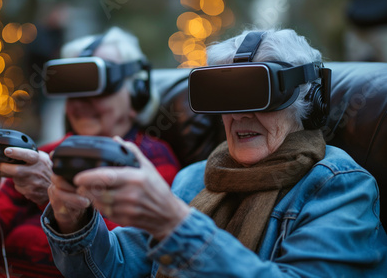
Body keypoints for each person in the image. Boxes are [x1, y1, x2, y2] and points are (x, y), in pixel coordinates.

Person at [41, 28, 387, 277]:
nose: (239, 116)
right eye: (224, 98)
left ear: (307, 102)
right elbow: (118, 267)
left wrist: (175, 226)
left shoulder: (340, 187)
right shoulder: (195, 178)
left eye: (258, 96)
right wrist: (73, 220)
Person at [0, 27, 180, 277]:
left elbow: (129, 262)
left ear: (137, 95)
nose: (79, 103)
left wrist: (53, 197)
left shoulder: (151, 161)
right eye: (71, 88)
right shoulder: (44, 156)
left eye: (96, 88)